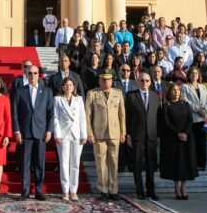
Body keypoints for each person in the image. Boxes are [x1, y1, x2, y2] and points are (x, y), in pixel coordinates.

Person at [11, 65, 54, 200]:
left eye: (35, 73)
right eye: (30, 73)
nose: (33, 75)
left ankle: (38, 191)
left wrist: (49, 130)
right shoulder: (20, 91)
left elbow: (51, 113)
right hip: (25, 133)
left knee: (40, 163)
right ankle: (25, 191)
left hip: (41, 133)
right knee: (25, 164)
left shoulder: (47, 91)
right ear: (26, 75)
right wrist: (17, 130)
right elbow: (15, 114)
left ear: (39, 74)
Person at [85, 68, 126, 201]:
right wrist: (89, 132)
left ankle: (113, 189)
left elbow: (122, 115)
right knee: (101, 163)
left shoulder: (118, 93)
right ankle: (103, 190)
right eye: (103, 79)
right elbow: (87, 116)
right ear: (99, 80)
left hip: (115, 133)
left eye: (108, 79)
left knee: (114, 162)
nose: (106, 82)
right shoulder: (92, 94)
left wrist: (123, 132)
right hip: (99, 133)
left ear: (112, 80)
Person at [125, 72, 161, 200]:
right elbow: (127, 116)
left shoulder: (155, 95)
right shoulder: (131, 95)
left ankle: (151, 190)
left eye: (147, 80)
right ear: (137, 81)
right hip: (136, 134)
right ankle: (140, 190)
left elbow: (158, 117)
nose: (144, 83)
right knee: (137, 163)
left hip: (151, 134)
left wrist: (158, 135)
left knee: (151, 164)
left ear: (150, 82)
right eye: (142, 80)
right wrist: (128, 134)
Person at [160, 82, 197, 200]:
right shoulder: (166, 105)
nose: (176, 92)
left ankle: (184, 188)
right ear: (169, 92)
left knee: (185, 163)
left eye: (178, 90)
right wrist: (178, 133)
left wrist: (185, 133)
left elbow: (190, 120)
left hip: (186, 138)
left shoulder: (185, 104)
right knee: (176, 163)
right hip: (172, 138)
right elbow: (166, 122)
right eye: (173, 90)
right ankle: (176, 188)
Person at [52, 76, 87, 201]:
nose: (68, 87)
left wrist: (84, 135)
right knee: (64, 163)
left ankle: (74, 190)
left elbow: (82, 118)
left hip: (76, 134)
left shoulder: (79, 99)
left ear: (74, 87)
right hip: (63, 135)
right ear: (62, 87)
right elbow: (55, 118)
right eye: (66, 85)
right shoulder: (57, 99)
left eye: (71, 85)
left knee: (75, 163)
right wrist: (57, 134)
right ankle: (65, 190)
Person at [182, 67, 207, 171]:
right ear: (188, 75)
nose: (194, 75)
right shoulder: (185, 87)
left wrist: (204, 109)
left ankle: (202, 164)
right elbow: (185, 100)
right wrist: (197, 109)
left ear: (199, 75)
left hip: (204, 118)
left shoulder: (203, 87)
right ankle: (194, 164)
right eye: (192, 73)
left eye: (196, 73)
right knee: (193, 143)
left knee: (202, 143)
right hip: (193, 118)